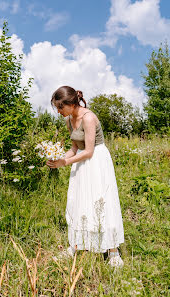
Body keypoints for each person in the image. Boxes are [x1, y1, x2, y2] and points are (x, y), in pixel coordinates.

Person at [47, 86, 124, 268]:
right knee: (79, 201)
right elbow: (74, 148)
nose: (58, 112)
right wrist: (59, 158)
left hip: (96, 161)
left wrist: (65, 163)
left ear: (70, 104)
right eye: (57, 108)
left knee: (101, 202)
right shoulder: (69, 120)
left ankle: (113, 250)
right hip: (80, 163)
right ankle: (77, 244)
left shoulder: (88, 118)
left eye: (60, 107)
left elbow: (89, 151)